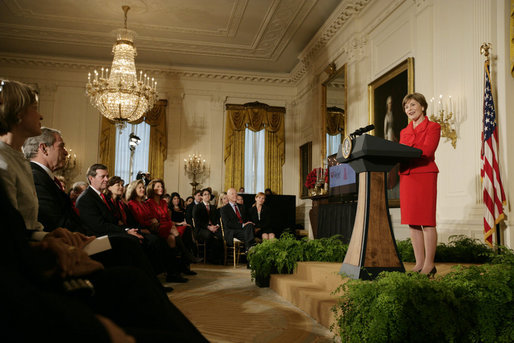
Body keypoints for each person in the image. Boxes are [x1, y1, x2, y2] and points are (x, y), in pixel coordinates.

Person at [76, 164, 188, 283]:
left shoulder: (99, 196)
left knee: (152, 239)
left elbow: (113, 221)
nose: (106, 179)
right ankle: (146, 280)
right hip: (97, 238)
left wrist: (129, 229)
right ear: (91, 178)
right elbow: (99, 226)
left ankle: (151, 278)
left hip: (110, 232)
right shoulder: (86, 198)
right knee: (140, 240)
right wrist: (126, 230)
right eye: (102, 176)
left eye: (107, 176)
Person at [399, 92, 441, 277]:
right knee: (413, 223)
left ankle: (429, 264)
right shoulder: (404, 131)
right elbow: (401, 151)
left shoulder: (433, 126)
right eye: (407, 106)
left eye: (413, 105)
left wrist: (405, 152)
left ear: (422, 107)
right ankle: (418, 263)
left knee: (427, 222)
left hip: (424, 174)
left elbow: (428, 150)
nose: (409, 109)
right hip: (407, 176)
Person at [193, 188, 224, 264]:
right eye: (205, 194)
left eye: (208, 194)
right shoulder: (197, 207)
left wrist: (216, 226)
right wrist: (208, 227)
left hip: (213, 228)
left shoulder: (213, 207)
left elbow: (217, 220)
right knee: (209, 235)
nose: (207, 196)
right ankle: (209, 259)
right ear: (202, 197)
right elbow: (197, 222)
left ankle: (220, 259)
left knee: (220, 235)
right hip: (201, 229)